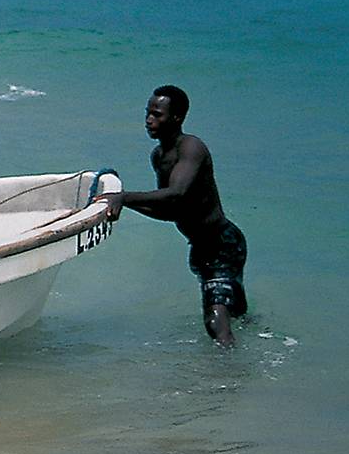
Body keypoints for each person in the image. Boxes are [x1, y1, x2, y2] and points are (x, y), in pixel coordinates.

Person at [97, 85, 249, 346]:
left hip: (223, 246)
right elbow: (169, 211)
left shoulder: (192, 148)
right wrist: (116, 205)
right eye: (148, 113)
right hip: (202, 251)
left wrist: (124, 197)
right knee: (236, 314)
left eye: (157, 115)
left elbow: (176, 193)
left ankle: (229, 379)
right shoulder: (159, 156)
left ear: (177, 118)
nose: (149, 120)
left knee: (216, 325)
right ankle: (247, 361)